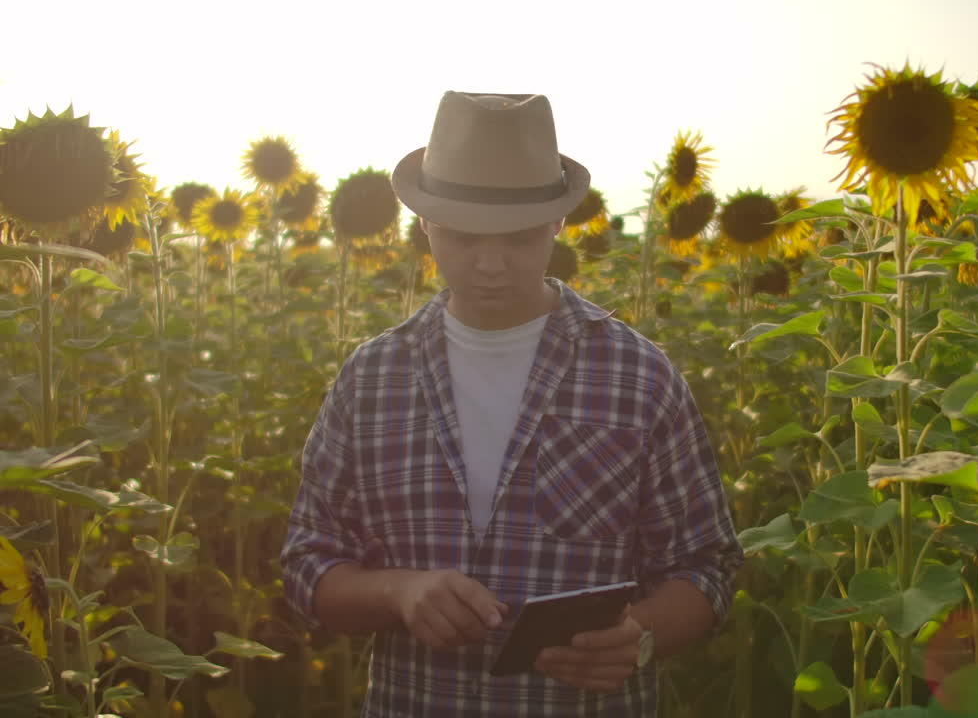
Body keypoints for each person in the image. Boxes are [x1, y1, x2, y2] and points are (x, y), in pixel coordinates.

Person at [281, 91, 743, 717]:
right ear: (424, 224)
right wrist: (399, 592)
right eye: (463, 237)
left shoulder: (638, 377)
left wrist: (642, 636)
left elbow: (705, 564)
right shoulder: (372, 379)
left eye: (519, 238)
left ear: (557, 224)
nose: (490, 263)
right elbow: (310, 563)